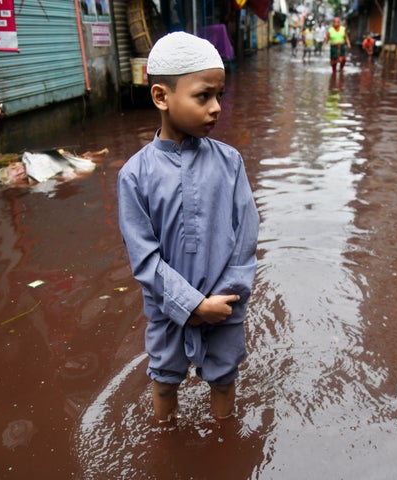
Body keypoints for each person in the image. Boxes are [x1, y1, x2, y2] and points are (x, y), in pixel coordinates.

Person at [117, 32, 260, 424]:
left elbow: (246, 242)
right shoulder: (134, 176)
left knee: (224, 379)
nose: (216, 108)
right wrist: (191, 306)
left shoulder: (231, 163)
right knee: (163, 381)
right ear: (162, 97)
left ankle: (221, 443)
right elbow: (144, 259)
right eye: (203, 96)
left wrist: (220, 303)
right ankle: (166, 438)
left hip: (225, 306)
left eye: (220, 96)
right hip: (166, 310)